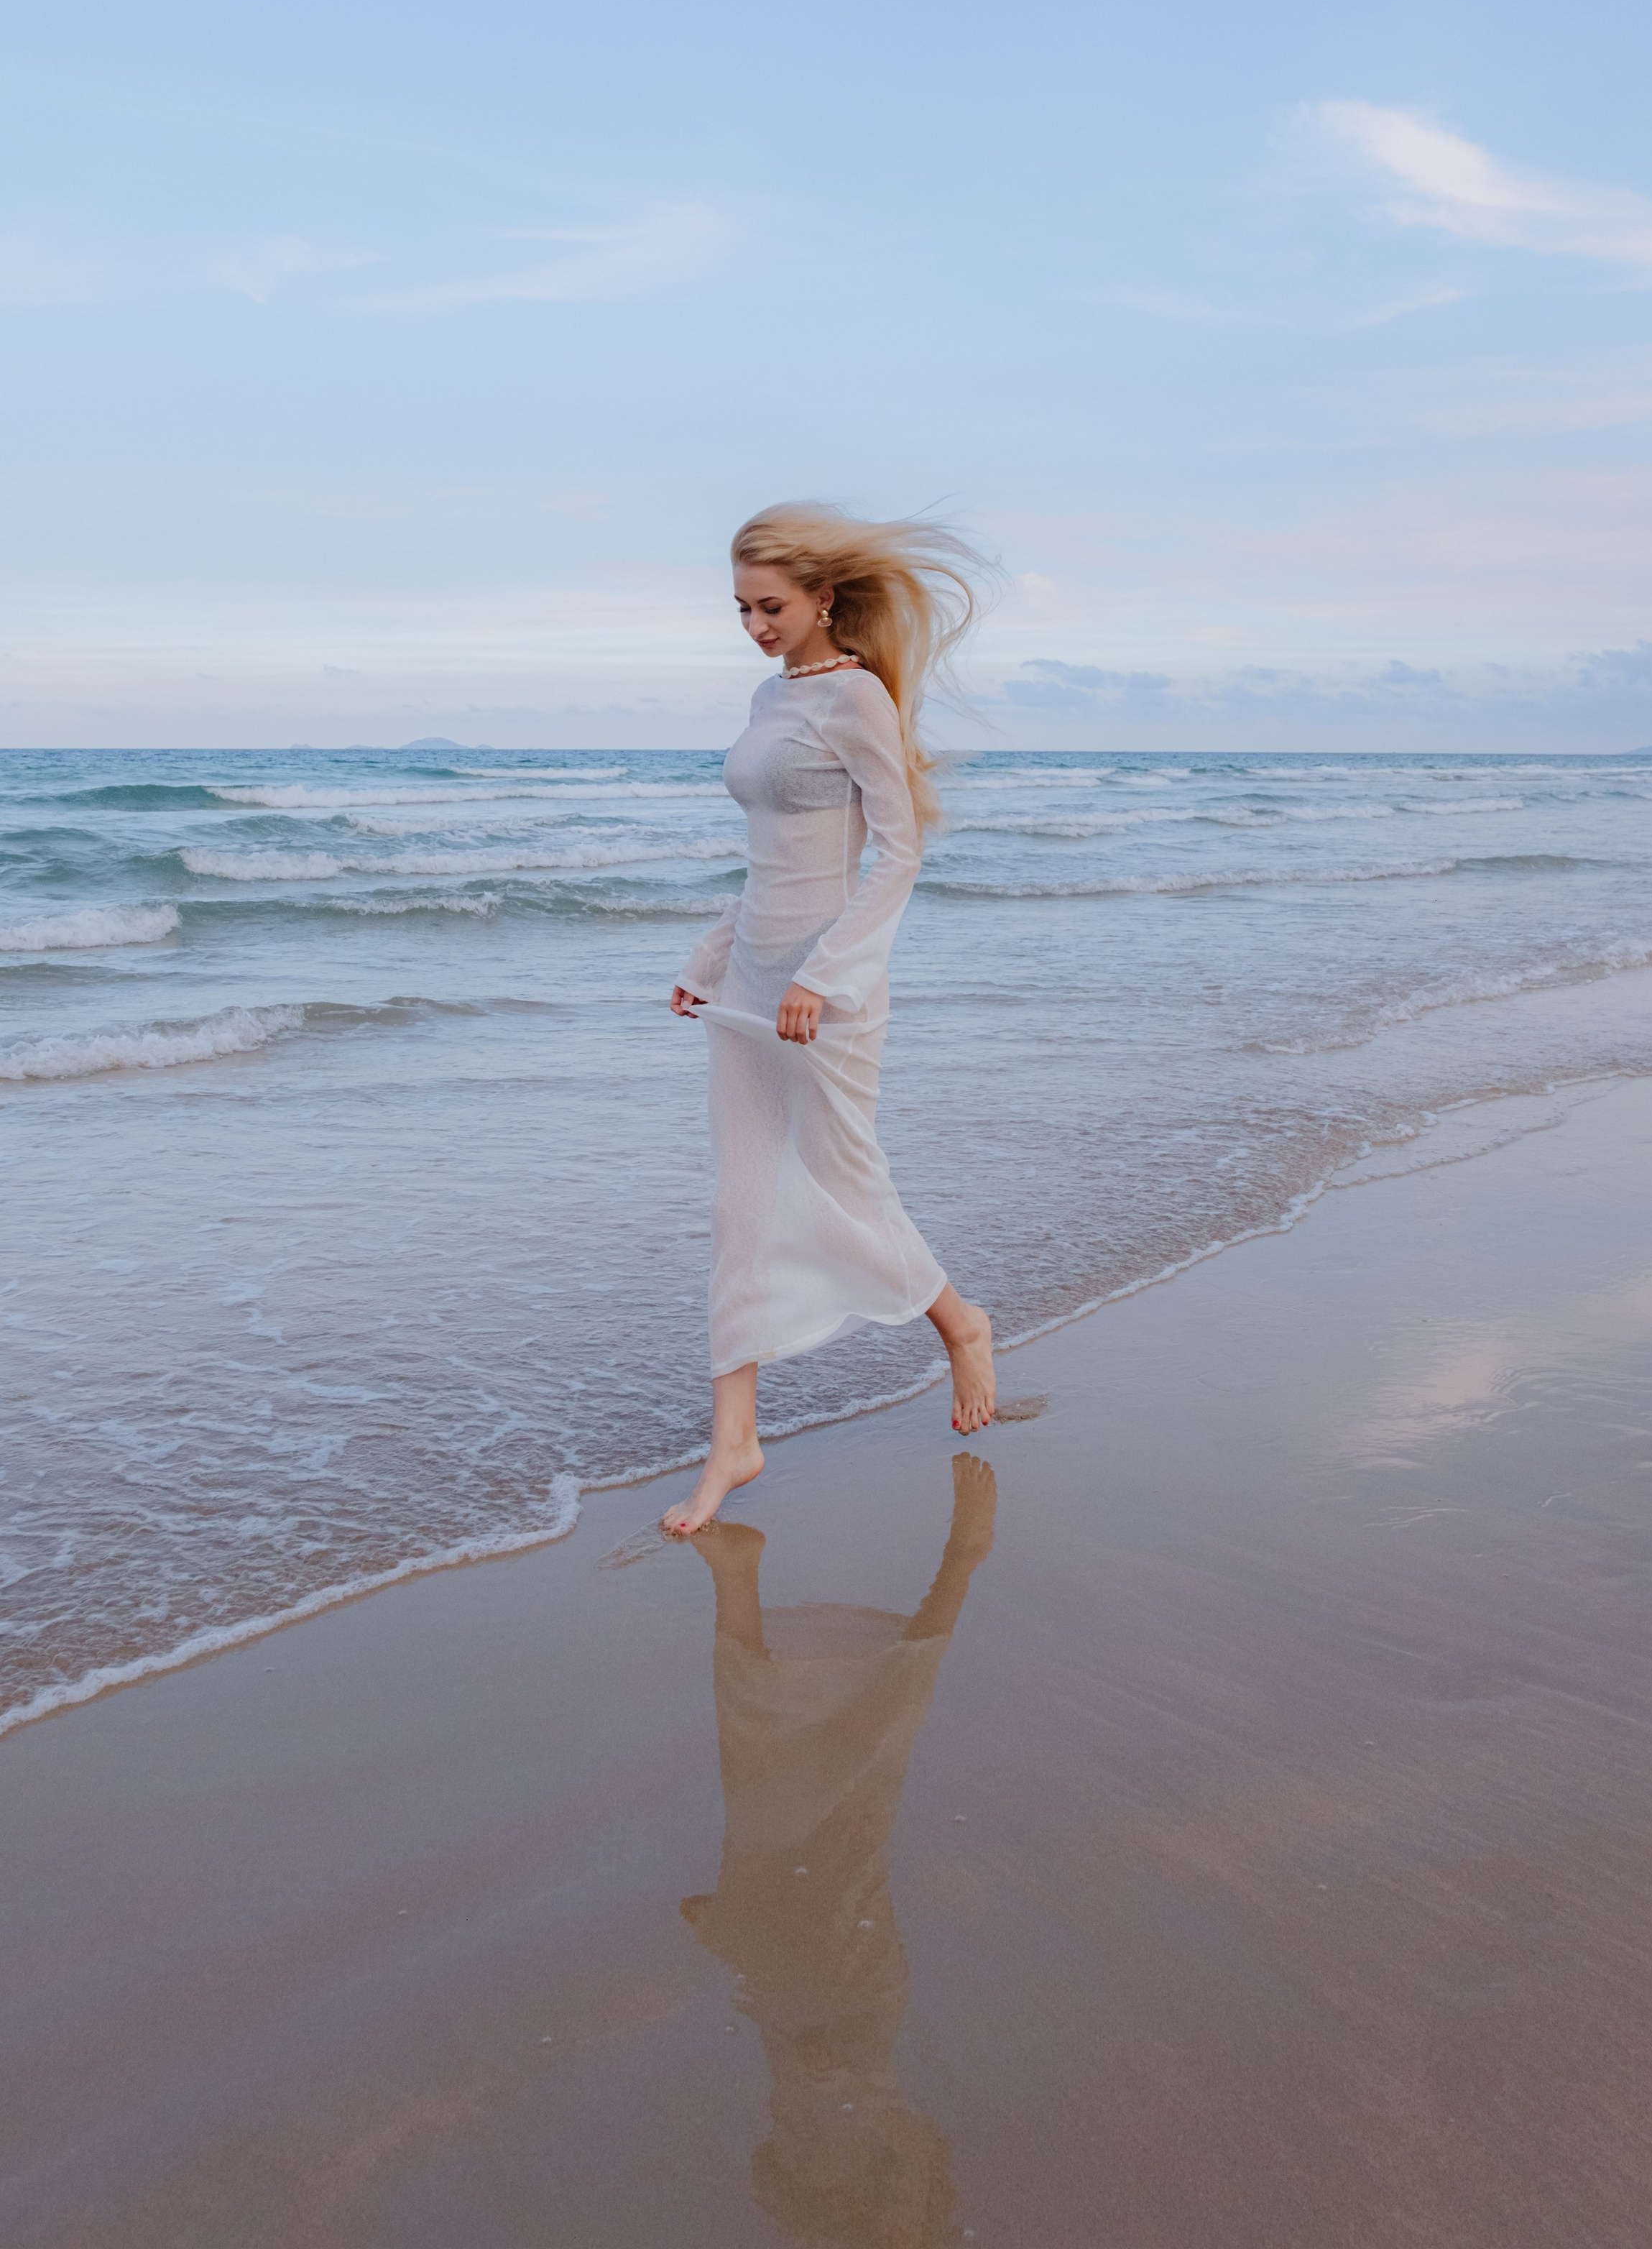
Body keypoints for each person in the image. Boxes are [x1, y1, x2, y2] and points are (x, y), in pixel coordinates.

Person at [663, 504, 996, 1537]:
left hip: (825, 997)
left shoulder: (855, 698)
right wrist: (710, 959)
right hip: (750, 988)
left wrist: (827, 976)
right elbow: (772, 858)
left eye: (771, 606)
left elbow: (895, 854)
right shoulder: (771, 696)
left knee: (846, 1183)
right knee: (739, 1206)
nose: (756, 625)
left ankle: (961, 1322)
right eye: (742, 608)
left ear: (824, 600)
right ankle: (737, 1441)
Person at [678, 1456, 998, 2246]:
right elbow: (853, 2130)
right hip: (838, 1994)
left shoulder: (813, 2185)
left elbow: (772, 2164)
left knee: (783, 1803)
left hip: (803, 1995)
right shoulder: (873, 2179)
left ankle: (738, 1585)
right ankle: (960, 1563)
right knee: (849, 1798)